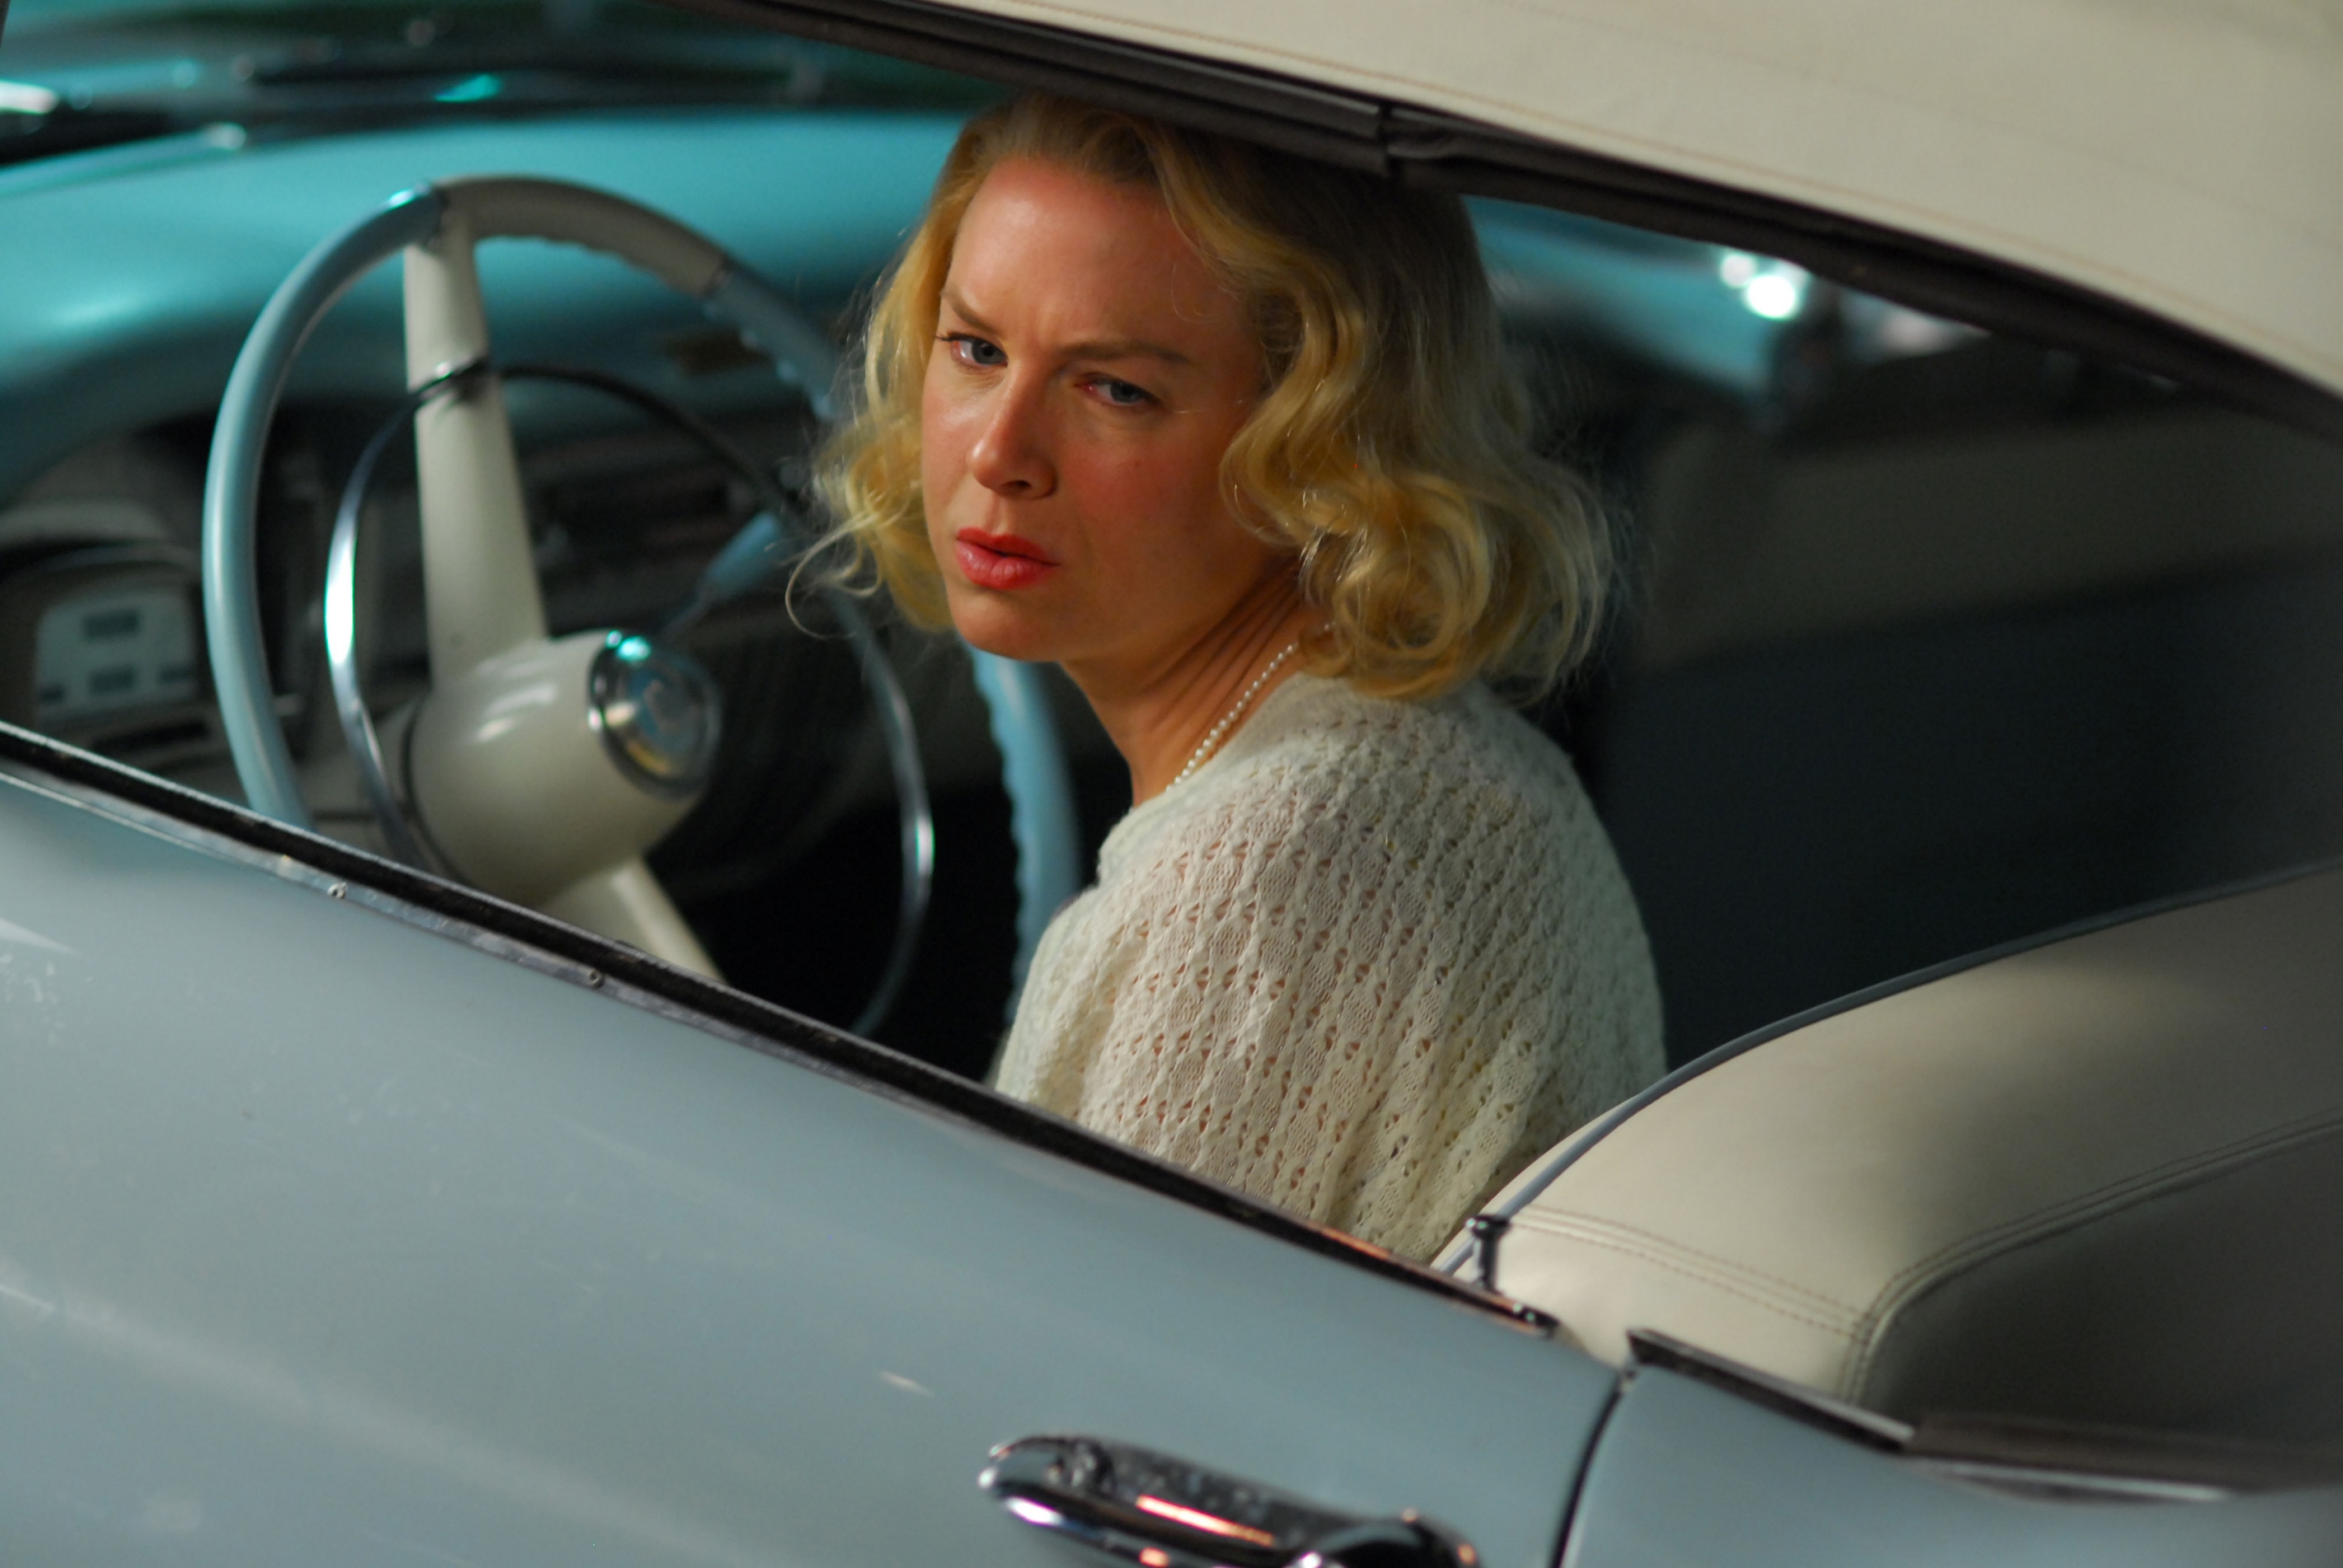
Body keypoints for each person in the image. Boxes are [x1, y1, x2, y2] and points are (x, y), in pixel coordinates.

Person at [818, 92, 1663, 1262]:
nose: (1000, 451)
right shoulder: (1471, 770)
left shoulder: (1248, 879)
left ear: (1321, 448)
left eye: (1114, 388)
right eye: (977, 350)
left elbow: (1070, 1347)